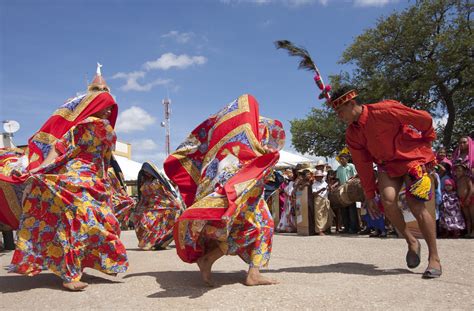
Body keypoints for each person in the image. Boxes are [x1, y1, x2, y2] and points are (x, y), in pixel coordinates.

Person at [6, 65, 129, 290]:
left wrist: (109, 183)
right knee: (77, 220)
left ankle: (79, 266)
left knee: (99, 221)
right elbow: (59, 147)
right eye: (106, 107)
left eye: (112, 108)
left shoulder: (108, 131)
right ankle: (70, 275)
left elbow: (104, 159)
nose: (110, 112)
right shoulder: (82, 126)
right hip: (74, 178)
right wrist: (41, 168)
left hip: (95, 181)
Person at [164, 94, 285, 286]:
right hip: (244, 193)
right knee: (264, 225)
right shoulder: (248, 139)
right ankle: (251, 273)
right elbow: (267, 149)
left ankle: (210, 259)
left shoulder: (225, 138)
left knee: (246, 229)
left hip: (238, 193)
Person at [331, 85, 442, 278]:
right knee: (388, 200)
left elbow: (424, 119)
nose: (339, 117)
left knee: (416, 205)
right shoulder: (352, 134)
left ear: (351, 103)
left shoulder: (385, 109)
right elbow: (363, 164)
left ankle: (434, 258)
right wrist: (369, 193)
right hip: (387, 165)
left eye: (340, 112)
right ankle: (411, 241)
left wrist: (427, 138)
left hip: (411, 158)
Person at [132, 162, 184, 250]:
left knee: (159, 221)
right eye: (144, 172)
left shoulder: (158, 181)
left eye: (147, 171)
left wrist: (176, 202)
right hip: (148, 206)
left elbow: (167, 193)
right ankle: (150, 242)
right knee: (143, 220)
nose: (146, 173)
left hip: (161, 205)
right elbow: (143, 196)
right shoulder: (143, 181)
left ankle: (160, 241)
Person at [336, 153, 359, 234]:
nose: (341, 160)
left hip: (350, 190)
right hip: (342, 190)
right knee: (344, 210)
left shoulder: (351, 166)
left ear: (347, 159)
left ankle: (354, 228)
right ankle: (346, 227)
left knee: (352, 210)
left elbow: (356, 175)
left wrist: (351, 179)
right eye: (340, 159)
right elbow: (338, 180)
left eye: (342, 159)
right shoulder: (339, 168)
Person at [453, 160, 473, 238]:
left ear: (464, 171)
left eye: (460, 170)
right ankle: (468, 232)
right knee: (467, 217)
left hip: (470, 199)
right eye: (457, 171)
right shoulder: (457, 180)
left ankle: (473, 232)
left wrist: (468, 198)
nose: (458, 172)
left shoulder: (467, 178)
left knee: (472, 216)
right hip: (462, 200)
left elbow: (471, 189)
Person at [312, 170, 333, 235]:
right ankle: (319, 230)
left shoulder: (325, 183)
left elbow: (330, 189)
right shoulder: (314, 184)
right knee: (319, 215)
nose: (319, 178)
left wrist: (329, 186)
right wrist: (321, 190)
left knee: (327, 214)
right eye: (318, 176)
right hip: (318, 199)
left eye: (320, 176)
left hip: (325, 199)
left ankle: (326, 228)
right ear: (315, 177)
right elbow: (314, 193)